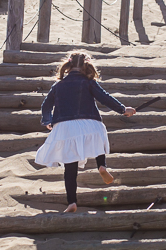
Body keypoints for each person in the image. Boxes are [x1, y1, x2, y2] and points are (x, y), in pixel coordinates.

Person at [34, 51, 135, 213]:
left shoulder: (58, 85)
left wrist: (47, 120)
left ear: (69, 65)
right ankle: (101, 165)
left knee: (70, 168)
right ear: (86, 65)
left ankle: (72, 202)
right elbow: (105, 97)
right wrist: (123, 109)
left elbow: (46, 105)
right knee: (98, 141)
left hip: (66, 128)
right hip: (91, 123)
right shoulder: (88, 82)